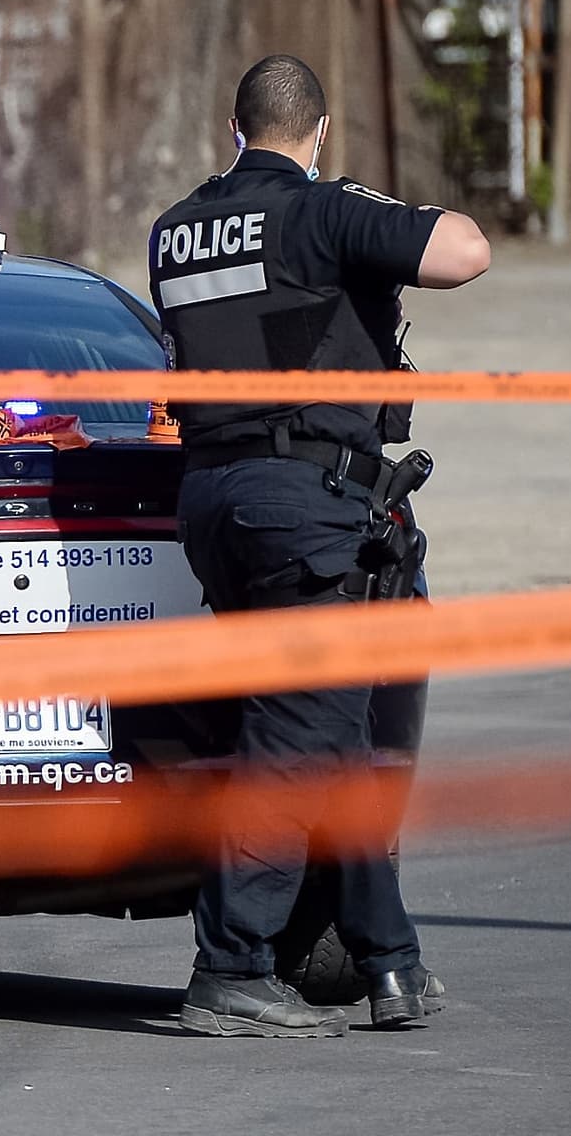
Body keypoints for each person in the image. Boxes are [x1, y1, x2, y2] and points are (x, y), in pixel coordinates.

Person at [148, 54, 490, 1039]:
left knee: (345, 741)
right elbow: (462, 250)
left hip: (221, 502)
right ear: (320, 131)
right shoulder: (322, 212)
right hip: (310, 509)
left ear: (232, 128)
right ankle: (232, 966)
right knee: (298, 744)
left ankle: (390, 959)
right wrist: (367, 210)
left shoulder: (176, 231)